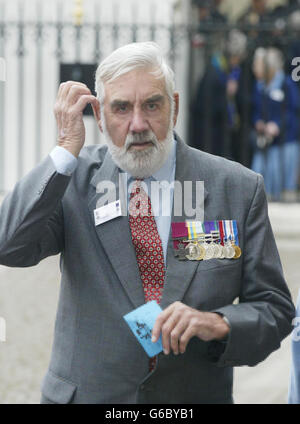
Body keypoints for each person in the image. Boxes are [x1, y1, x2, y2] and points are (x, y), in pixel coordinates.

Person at [0, 42, 295, 404]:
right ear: (100, 114)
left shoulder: (236, 188)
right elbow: (8, 245)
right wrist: (64, 150)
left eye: (151, 105)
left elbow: (275, 309)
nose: (138, 125)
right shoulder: (74, 182)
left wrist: (217, 323)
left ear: (173, 108)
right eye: (121, 108)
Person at [251, 47, 300, 201]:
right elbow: (255, 110)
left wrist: (278, 125)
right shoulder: (259, 86)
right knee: (261, 178)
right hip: (266, 142)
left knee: (284, 183)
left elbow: (293, 111)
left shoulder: (286, 84)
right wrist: (258, 122)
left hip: (286, 140)